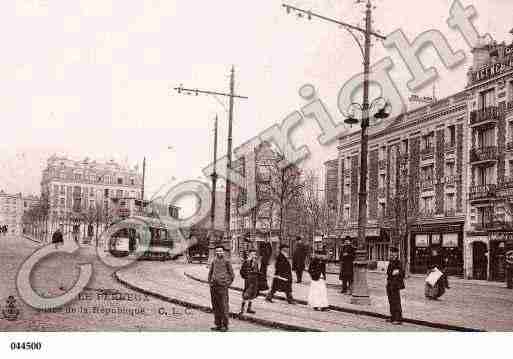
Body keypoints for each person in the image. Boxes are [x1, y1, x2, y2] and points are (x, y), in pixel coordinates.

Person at [208, 245, 234, 332]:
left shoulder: (227, 261)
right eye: (217, 251)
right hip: (214, 286)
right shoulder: (214, 261)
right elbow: (210, 273)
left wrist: (227, 284)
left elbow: (232, 275)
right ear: (215, 252)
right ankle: (218, 324)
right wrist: (210, 282)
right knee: (215, 306)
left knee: (224, 306)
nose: (219, 252)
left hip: (222, 287)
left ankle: (225, 325)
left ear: (223, 252)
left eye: (220, 251)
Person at [386, 247, 405, 325]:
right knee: (391, 301)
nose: (391, 254)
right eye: (391, 252)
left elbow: (402, 273)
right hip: (390, 284)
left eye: (393, 253)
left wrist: (396, 272)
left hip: (395, 285)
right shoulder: (391, 262)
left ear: (396, 254)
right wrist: (394, 272)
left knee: (396, 301)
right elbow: (389, 272)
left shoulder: (398, 262)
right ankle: (393, 316)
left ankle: (398, 318)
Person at [239, 248, 260, 315]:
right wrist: (246, 277)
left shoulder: (256, 262)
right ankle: (242, 310)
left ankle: (249, 308)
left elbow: (257, 270)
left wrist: (258, 275)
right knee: (246, 294)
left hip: (255, 280)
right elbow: (242, 271)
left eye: (255, 254)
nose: (254, 255)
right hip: (248, 280)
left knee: (253, 294)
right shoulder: (246, 262)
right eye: (253, 254)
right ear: (250, 254)